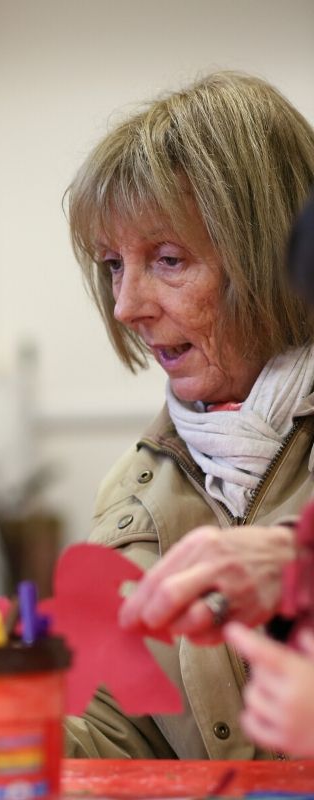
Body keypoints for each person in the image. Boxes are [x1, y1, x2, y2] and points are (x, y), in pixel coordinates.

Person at [62, 71, 314, 759]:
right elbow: (124, 735)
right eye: (113, 265)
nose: (125, 305)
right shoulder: (132, 491)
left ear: (271, 255)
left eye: (168, 259)